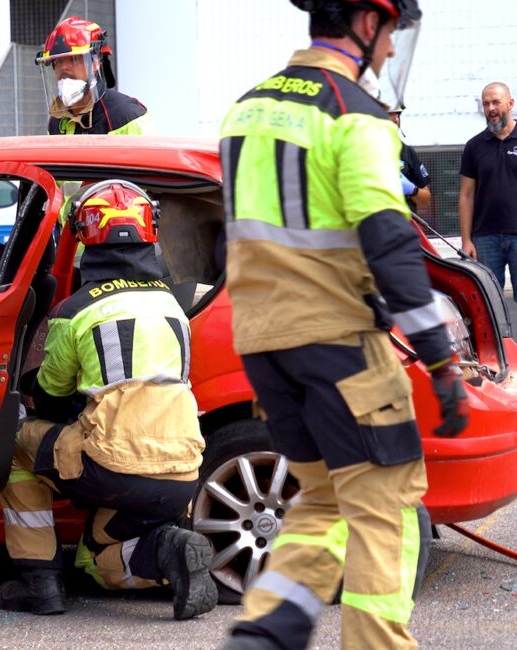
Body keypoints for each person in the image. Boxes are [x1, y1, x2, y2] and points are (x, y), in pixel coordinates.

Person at [219, 1, 468, 648]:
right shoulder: (353, 112)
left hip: (262, 344)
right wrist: (441, 359)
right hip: (339, 346)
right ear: (365, 22)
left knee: (323, 500)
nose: (389, 52)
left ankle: (266, 630)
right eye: (389, 36)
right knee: (384, 504)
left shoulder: (246, 108)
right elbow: (388, 242)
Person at [0, 180, 216, 620]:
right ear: (150, 232)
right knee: (94, 558)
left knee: (16, 448)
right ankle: (169, 550)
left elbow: (53, 398)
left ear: (84, 236)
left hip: (112, 466)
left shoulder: (74, 311)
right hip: (183, 472)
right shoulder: (175, 307)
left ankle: (39, 582)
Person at [35, 16, 152, 136]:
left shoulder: (126, 116)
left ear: (96, 62)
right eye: (58, 61)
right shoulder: (56, 121)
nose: (64, 67)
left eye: (74, 59)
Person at [459, 81, 517, 295]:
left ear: (510, 103)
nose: (491, 108)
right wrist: (466, 240)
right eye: (486, 104)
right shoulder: (474, 146)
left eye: (496, 102)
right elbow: (466, 195)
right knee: (489, 304)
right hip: (485, 239)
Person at [390, 106, 431, 212]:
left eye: (397, 114)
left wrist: (412, 190)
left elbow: (426, 201)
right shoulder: (363, 151)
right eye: (390, 114)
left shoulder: (407, 152)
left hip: (404, 223)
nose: (395, 119)